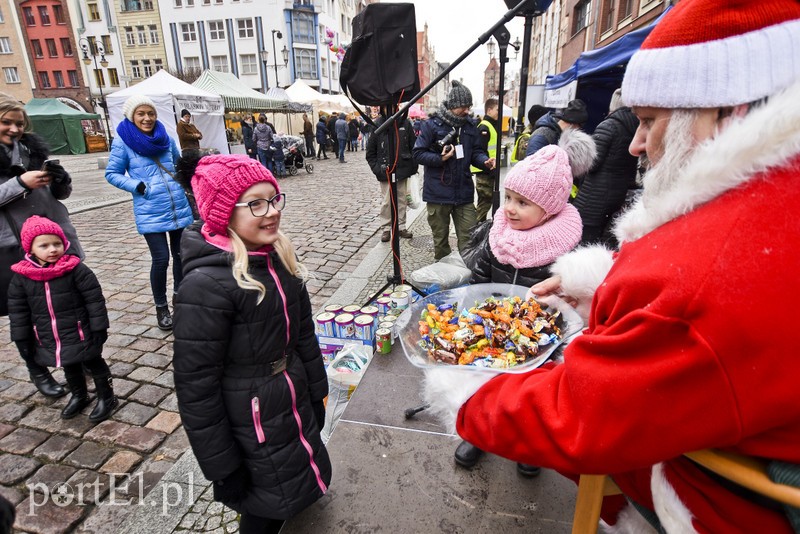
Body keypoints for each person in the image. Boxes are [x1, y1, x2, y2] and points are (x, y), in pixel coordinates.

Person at [424, 0, 800, 531]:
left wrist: (463, 389)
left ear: (724, 112)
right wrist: (602, 286)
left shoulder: (720, 268)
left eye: (648, 121)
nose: (636, 143)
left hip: (699, 506)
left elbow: (583, 416)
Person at [172, 154, 331, 534]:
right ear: (225, 213)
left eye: (274, 199)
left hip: (290, 399)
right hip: (251, 419)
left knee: (295, 482)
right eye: (255, 204)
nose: (271, 211)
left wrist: (316, 392)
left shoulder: (276, 255)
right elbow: (196, 387)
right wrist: (222, 467)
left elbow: (303, 333)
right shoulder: (205, 286)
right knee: (263, 508)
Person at [455, 134, 593, 474]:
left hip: (535, 338)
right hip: (490, 328)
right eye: (509, 198)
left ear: (548, 212)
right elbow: (478, 279)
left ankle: (527, 446)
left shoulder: (563, 250)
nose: (510, 209)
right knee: (484, 384)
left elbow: (567, 303)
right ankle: (480, 433)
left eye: (523, 203)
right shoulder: (497, 236)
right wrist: (466, 314)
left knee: (529, 394)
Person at [0, 95, 85, 398]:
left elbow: (58, 195)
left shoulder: (32, 151)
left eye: (19, 123)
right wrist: (19, 184)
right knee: (23, 313)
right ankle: (38, 368)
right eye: (6, 122)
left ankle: (77, 354)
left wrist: (61, 181)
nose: (13, 129)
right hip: (12, 249)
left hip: (54, 240)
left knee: (68, 302)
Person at [7, 216, 116, 422]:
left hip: (81, 330)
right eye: (44, 245)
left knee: (94, 363)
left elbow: (94, 299)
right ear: (30, 249)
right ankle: (79, 394)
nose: (52, 249)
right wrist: (21, 338)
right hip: (51, 334)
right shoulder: (22, 277)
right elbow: (18, 311)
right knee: (69, 365)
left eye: (57, 243)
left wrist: (99, 326)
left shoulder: (76, 270)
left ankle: (107, 397)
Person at [105, 95, 194, 331]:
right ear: (131, 116)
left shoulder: (166, 137)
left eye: (150, 113)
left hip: (177, 205)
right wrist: (138, 186)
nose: (147, 118)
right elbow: (112, 173)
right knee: (161, 258)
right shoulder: (123, 141)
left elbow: (179, 165)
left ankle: (179, 301)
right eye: (141, 114)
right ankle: (161, 307)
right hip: (150, 208)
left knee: (180, 256)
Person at [412, 80, 495, 260]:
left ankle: (467, 274)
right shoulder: (431, 125)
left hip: (463, 193)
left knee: (469, 238)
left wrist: (484, 161)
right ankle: (444, 274)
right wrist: (439, 158)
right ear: (453, 105)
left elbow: (477, 152)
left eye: (469, 106)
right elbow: (418, 154)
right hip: (437, 193)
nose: (467, 110)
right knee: (440, 241)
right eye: (463, 106)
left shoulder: (470, 126)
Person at [573, 89, 640, 247]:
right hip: (617, 196)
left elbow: (592, 163)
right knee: (600, 242)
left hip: (593, 198)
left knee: (583, 243)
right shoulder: (636, 127)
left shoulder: (609, 125)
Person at [366, 116, 417, 243]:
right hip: (385, 171)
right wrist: (377, 169)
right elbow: (370, 152)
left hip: (402, 168)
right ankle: (386, 228)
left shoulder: (405, 123)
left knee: (401, 199)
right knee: (387, 201)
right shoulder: (377, 124)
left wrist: (412, 167)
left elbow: (413, 146)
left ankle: (401, 226)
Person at [471, 98, 500, 222]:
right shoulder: (484, 126)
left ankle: (478, 226)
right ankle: (476, 228)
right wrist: (487, 164)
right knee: (485, 201)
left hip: (489, 170)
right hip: (484, 171)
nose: (499, 112)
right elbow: (479, 150)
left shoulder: (491, 125)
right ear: (489, 110)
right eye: (497, 110)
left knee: (485, 202)